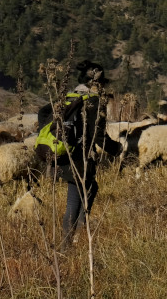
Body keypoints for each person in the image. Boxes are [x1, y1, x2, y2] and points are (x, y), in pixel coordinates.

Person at [36, 60, 108, 244]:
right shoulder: (93, 101)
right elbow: (97, 135)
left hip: (63, 156)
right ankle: (68, 244)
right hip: (79, 158)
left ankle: (80, 233)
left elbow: (43, 112)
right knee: (73, 201)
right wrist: (116, 148)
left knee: (90, 189)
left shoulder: (67, 97)